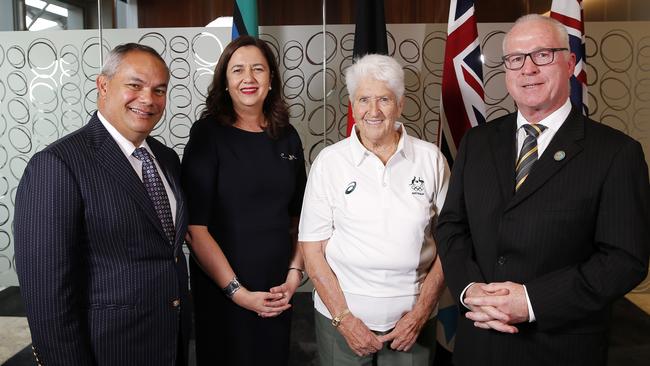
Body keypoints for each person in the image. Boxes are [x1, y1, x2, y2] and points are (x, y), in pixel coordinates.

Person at [436, 14, 649, 366]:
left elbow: (625, 260)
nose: (528, 69)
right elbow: (451, 227)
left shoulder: (615, 153)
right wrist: (470, 289)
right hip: (479, 343)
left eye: (543, 55)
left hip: (559, 347)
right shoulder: (477, 142)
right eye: (516, 59)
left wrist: (533, 301)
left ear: (569, 62)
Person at [14, 43, 190, 365]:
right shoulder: (57, 164)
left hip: (169, 343)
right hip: (106, 351)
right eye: (134, 85)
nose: (148, 99)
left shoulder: (166, 158)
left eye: (159, 90)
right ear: (104, 85)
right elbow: (47, 298)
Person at [299, 54, 449, 366]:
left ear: (401, 103)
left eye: (384, 99)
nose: (374, 111)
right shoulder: (329, 162)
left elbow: (451, 244)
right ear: (353, 105)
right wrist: (344, 320)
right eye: (364, 99)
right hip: (340, 323)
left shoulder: (431, 159)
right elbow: (312, 251)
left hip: (412, 325)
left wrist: (420, 314)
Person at [181, 35, 307, 366]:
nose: (248, 78)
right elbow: (195, 228)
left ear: (271, 80)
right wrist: (238, 292)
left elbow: (299, 218)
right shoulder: (207, 135)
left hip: (277, 290)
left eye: (257, 69)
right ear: (225, 82)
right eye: (237, 70)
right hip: (225, 290)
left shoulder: (288, 136)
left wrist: (295, 274)